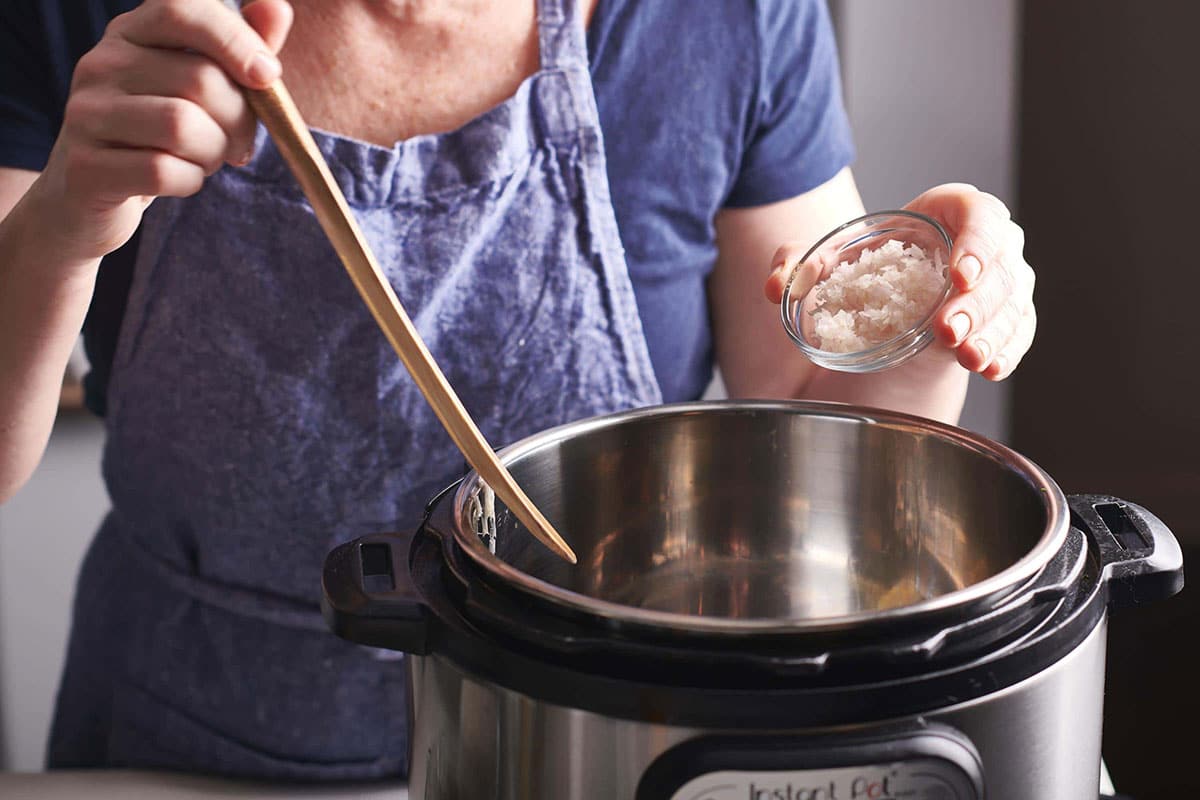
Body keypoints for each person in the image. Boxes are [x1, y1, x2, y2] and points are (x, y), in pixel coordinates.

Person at [0, 0, 1035, 781]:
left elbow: (817, 428)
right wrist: (59, 222)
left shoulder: (726, 19)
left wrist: (940, 318)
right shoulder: (92, 24)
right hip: (177, 748)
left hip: (601, 749)